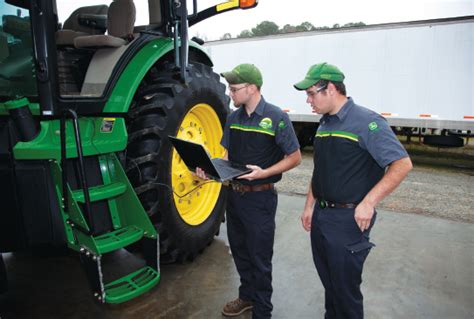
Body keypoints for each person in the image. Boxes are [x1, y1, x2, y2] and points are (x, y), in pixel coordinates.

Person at [294, 62, 412, 318]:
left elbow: (402, 164)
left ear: (332, 89)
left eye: (312, 93)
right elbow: (321, 170)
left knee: (346, 293)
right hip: (322, 217)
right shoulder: (324, 124)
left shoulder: (367, 122)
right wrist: (309, 206)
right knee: (331, 287)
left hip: (348, 221)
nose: (308, 100)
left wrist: (369, 202)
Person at [196, 63, 301, 318]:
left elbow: (295, 156)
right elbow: (227, 154)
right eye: (230, 88)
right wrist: (210, 169)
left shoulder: (275, 117)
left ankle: (263, 311)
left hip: (260, 198)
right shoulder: (233, 117)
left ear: (252, 88)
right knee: (240, 251)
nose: (230, 93)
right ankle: (247, 297)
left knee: (259, 257)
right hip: (235, 195)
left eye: (234, 88)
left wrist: (264, 172)